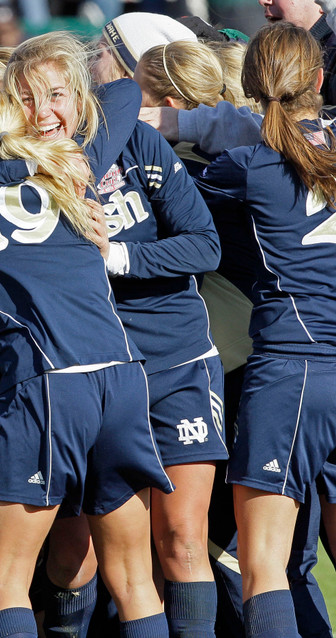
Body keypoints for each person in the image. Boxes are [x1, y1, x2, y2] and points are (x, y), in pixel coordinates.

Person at [0, 86, 174, 638]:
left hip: (48, 383)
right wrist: (38, 155)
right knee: (134, 577)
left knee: (3, 578)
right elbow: (124, 92)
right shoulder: (63, 178)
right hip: (124, 378)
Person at [5, 31, 224, 637]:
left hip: (176, 362)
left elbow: (204, 244)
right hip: (91, 382)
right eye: (26, 98)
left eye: (55, 94)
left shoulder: (136, 142)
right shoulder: (12, 179)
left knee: (180, 541)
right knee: (76, 557)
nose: (44, 111)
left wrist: (115, 257)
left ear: (79, 96)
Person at [195, 21, 336, 637]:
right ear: (321, 78)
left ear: (250, 86)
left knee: (263, 567)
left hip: (292, 371)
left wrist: (183, 122)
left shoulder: (244, 166)